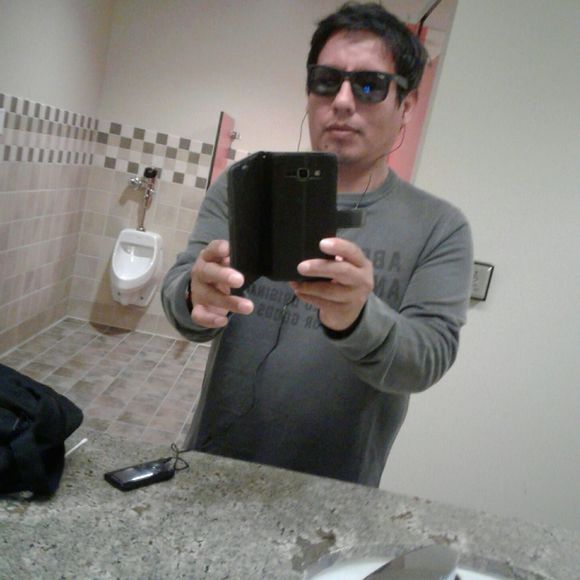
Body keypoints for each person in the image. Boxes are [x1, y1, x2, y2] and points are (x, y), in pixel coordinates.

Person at [161, 2, 473, 487]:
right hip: (211, 467)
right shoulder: (243, 186)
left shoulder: (440, 227)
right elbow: (180, 290)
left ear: (407, 104)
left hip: (333, 493)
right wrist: (192, 295)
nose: (343, 101)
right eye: (327, 81)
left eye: (369, 85)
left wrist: (358, 318)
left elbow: (428, 360)